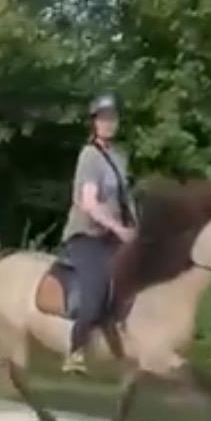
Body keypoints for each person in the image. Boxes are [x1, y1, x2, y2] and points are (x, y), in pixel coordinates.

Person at [60, 93, 137, 374]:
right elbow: (90, 204)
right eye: (103, 118)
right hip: (87, 236)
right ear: (93, 123)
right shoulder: (89, 156)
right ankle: (75, 351)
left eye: (113, 118)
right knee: (96, 289)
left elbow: (124, 201)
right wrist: (118, 228)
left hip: (113, 237)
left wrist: (135, 229)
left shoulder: (119, 157)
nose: (109, 123)